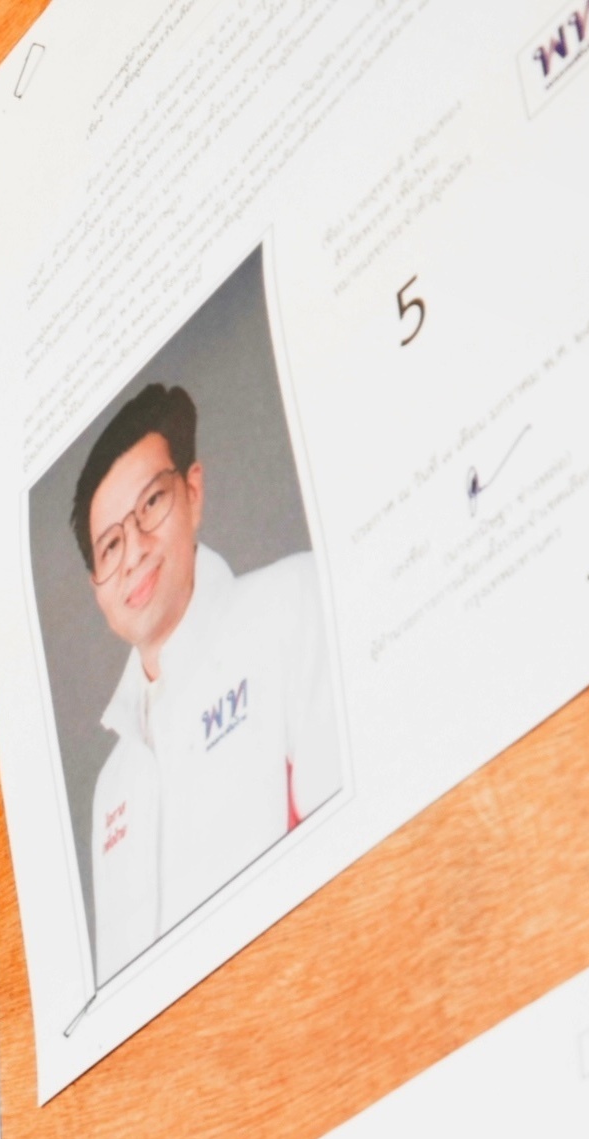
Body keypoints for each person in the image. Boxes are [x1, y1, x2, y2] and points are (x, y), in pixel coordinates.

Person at [67, 376, 344, 985]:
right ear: (97, 590)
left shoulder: (293, 603)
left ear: (193, 493)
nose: (134, 550)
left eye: (151, 505)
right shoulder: (113, 787)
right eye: (109, 545)